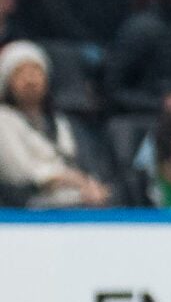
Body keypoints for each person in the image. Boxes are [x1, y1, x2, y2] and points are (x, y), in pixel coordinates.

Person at [0, 40, 111, 207]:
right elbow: (20, 175)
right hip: (28, 205)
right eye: (20, 72)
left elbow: (84, 162)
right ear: (7, 81)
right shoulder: (3, 119)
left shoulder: (60, 121)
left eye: (36, 71)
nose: (30, 80)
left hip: (78, 199)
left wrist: (91, 186)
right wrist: (70, 180)